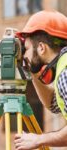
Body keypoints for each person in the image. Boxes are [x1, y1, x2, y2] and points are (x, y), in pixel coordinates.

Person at [14, 10, 67, 150]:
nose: (24, 54)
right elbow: (54, 104)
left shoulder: (65, 74)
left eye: (26, 49)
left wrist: (38, 140)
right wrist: (32, 69)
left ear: (42, 48)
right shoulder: (63, 66)